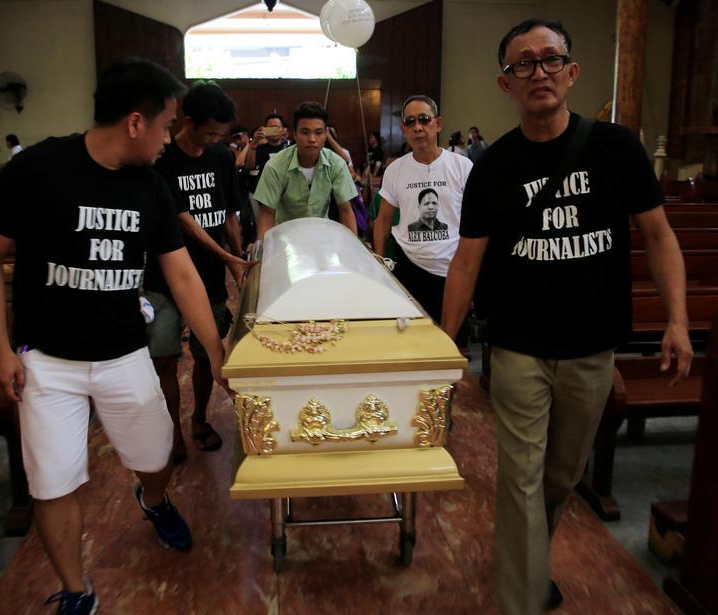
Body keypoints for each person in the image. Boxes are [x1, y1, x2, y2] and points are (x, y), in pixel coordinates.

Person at [440, 19, 692, 615]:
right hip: (519, 345)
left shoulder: (616, 148)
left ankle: (526, 562)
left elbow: (658, 236)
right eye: (522, 64)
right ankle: (521, 599)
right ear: (506, 84)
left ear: (572, 72)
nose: (538, 73)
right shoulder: (494, 167)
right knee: (522, 479)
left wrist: (677, 319)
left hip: (592, 346)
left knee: (560, 476)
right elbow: (466, 264)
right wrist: (443, 346)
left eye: (549, 60)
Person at [0, 57, 232, 614]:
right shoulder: (38, 168)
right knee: (53, 483)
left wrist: (215, 347)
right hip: (44, 360)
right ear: (135, 123)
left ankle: (154, 499)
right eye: (165, 125)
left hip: (122, 352)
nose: (169, 138)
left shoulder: (151, 186)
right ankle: (75, 591)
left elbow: (180, 273)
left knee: (156, 456)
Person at [143, 81, 252, 462]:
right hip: (164, 277)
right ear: (187, 121)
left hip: (208, 275)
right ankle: (170, 431)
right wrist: (227, 256)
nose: (215, 139)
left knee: (208, 354)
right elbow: (183, 221)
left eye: (221, 133)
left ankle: (200, 420)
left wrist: (237, 260)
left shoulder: (221, 156)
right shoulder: (162, 157)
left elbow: (228, 215)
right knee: (165, 358)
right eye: (209, 132)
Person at [372, 95, 472, 331]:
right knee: (412, 339)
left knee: (452, 345)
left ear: (437, 124)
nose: (418, 127)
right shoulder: (395, 169)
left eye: (424, 119)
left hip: (453, 270)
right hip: (410, 268)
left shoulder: (462, 166)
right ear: (403, 129)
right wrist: (379, 264)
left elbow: (476, 222)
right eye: (411, 121)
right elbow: (383, 220)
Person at [253, 101, 358, 237]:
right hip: (285, 238)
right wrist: (264, 251)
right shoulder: (275, 166)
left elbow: (346, 211)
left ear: (326, 134)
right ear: (295, 134)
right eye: (305, 132)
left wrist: (352, 249)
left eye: (318, 132)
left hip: (322, 236)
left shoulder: (337, 164)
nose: (312, 139)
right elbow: (266, 214)